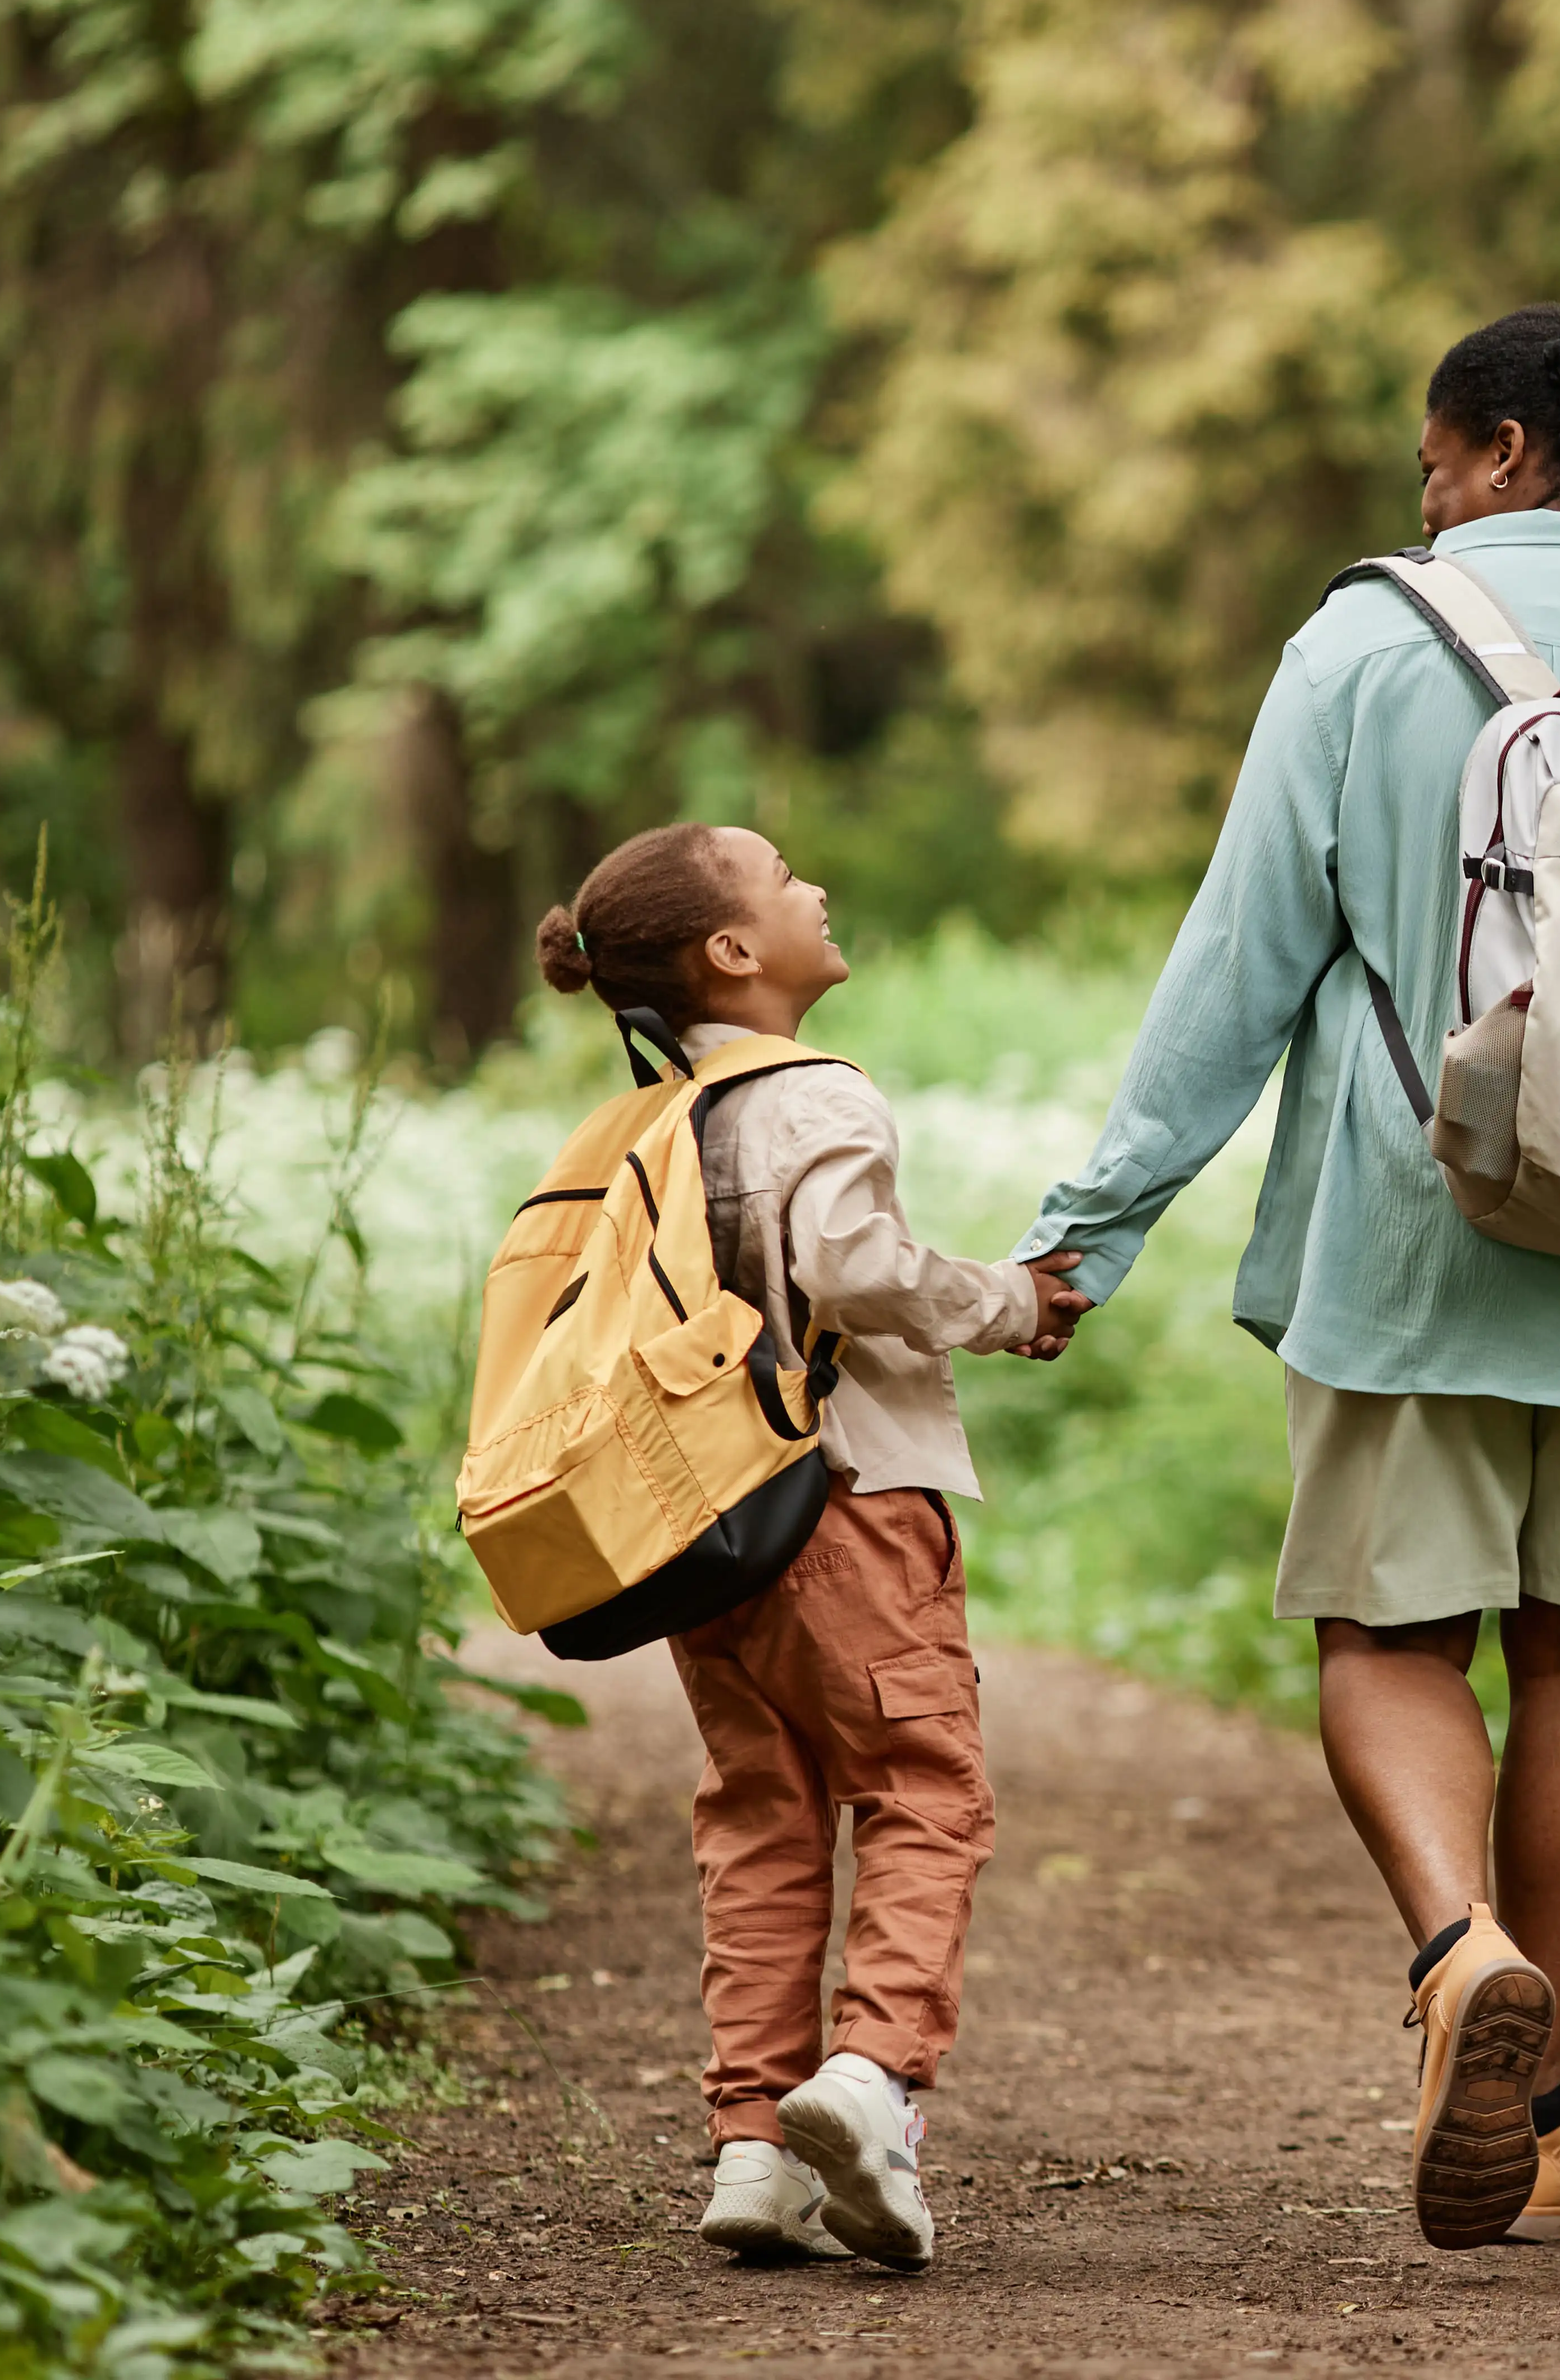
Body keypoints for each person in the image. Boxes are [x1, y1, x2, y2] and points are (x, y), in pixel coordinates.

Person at [1014, 293, 1560, 2250]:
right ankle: (1550, 2111)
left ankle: (1453, 1959)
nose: (1422, 501)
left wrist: (1094, 1226)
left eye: (1436, 461)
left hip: (1419, 1227)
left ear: (1506, 450)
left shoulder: (1364, 645)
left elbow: (1239, 961)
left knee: (1393, 1640)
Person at [532, 825, 1095, 2273]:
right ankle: (872, 2082)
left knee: (761, 1813)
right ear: (734, 953)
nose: (817, 891)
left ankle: (752, 2152)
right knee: (924, 1789)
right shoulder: (814, 1095)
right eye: (785, 881)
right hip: (846, 1502)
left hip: (706, 1533)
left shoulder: (658, 1117)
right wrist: (1007, 1302)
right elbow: (853, 1270)